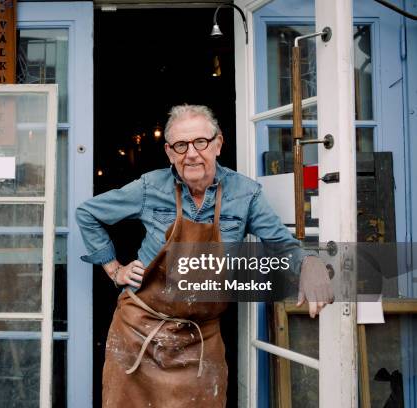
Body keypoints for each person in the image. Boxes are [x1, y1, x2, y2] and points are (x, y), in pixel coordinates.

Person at [75, 104, 333, 407]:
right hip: (139, 331)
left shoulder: (245, 194)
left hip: (201, 339)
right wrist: (113, 268)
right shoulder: (149, 187)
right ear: (170, 152)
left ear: (218, 143)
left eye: (201, 142)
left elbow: (281, 243)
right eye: (181, 145)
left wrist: (309, 263)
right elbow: (87, 213)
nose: (192, 153)